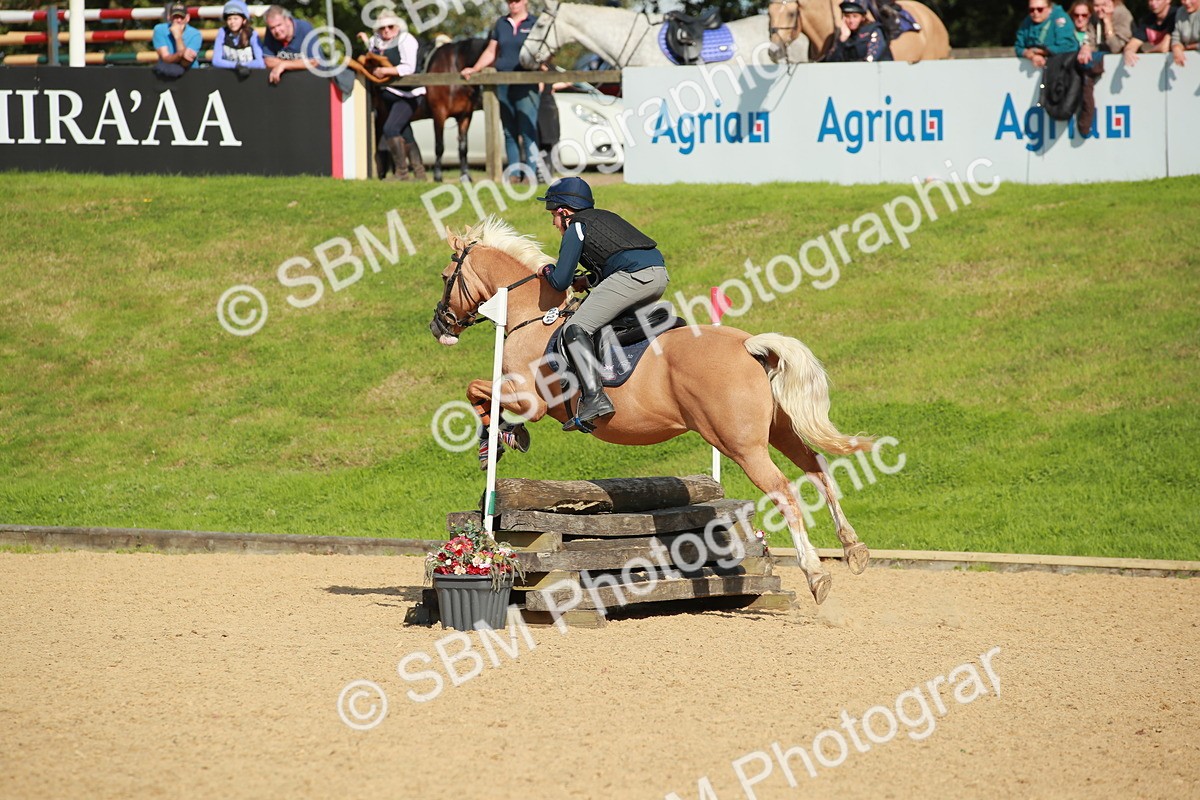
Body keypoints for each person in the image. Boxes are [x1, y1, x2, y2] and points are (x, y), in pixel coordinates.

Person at [536, 177, 670, 430]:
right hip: (658, 274)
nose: (554, 223)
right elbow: (614, 259)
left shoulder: (576, 226)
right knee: (604, 321)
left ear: (564, 212)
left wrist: (546, 269)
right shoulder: (604, 217)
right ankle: (645, 320)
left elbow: (560, 280)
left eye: (553, 215)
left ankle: (595, 398)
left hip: (633, 277)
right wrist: (587, 280)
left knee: (576, 328)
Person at [460, 0, 542, 183]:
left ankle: (530, 174)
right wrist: (475, 68)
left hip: (526, 82)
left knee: (527, 129)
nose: (513, 4)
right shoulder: (501, 24)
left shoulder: (535, 23)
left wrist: (542, 67)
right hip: (502, 83)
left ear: (526, 1)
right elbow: (491, 51)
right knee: (508, 130)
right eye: (509, 1)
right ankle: (514, 173)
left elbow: (544, 50)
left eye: (517, 0)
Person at [362, 11, 427, 181]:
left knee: (390, 128)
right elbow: (372, 51)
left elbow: (408, 68)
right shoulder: (377, 40)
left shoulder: (406, 40)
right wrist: (364, 39)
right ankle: (420, 174)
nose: (386, 31)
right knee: (405, 133)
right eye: (382, 28)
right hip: (390, 94)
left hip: (409, 94)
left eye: (390, 26)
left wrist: (384, 71)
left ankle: (402, 173)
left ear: (397, 26)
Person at [262, 5, 319, 85]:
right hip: (287, 84)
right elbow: (268, 61)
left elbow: (314, 62)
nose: (277, 30)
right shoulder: (271, 32)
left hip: (314, 82)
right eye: (272, 28)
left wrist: (284, 64)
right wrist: (298, 64)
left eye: (279, 25)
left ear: (288, 20)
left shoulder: (305, 28)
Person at [1072, 1, 1105, 136]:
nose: (1080, 18)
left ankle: (1085, 127)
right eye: (1076, 15)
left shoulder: (1096, 30)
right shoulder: (1068, 33)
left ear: (1089, 16)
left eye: (1084, 15)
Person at [1015, 0, 1080, 68]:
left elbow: (1068, 47)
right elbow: (1018, 47)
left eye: (1040, 9)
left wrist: (1043, 51)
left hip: (1062, 67)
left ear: (1049, 8)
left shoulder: (1060, 19)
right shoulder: (1027, 22)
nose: (1035, 12)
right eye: (1031, 10)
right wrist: (1030, 55)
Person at [211, 1, 265, 77]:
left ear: (244, 20)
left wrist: (243, 65)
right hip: (228, 76)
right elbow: (216, 61)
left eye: (236, 18)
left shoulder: (252, 34)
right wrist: (236, 66)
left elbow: (260, 62)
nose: (232, 22)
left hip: (251, 76)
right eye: (229, 19)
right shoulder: (222, 33)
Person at [825, 1, 893, 62]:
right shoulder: (843, 35)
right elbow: (831, 62)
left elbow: (871, 60)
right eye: (847, 16)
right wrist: (841, 41)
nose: (851, 21)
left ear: (863, 17)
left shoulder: (874, 31)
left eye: (855, 16)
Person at [152, 3, 202, 79]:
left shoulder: (195, 34)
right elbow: (165, 58)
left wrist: (178, 37)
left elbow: (185, 62)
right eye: (175, 17)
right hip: (166, 73)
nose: (179, 20)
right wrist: (180, 54)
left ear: (187, 18)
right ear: (169, 17)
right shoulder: (159, 29)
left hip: (191, 74)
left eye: (182, 17)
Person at [1123, 0, 1177, 67]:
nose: (1153, 3)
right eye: (1150, 0)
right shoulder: (1147, 20)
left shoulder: (1176, 16)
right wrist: (1129, 51)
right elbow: (1133, 43)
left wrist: (1147, 53)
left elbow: (1164, 47)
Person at [1171, 0, 1200, 65]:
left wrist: (1191, 47)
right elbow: (1176, 37)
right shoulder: (1180, 12)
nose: (1186, 2)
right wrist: (1176, 48)